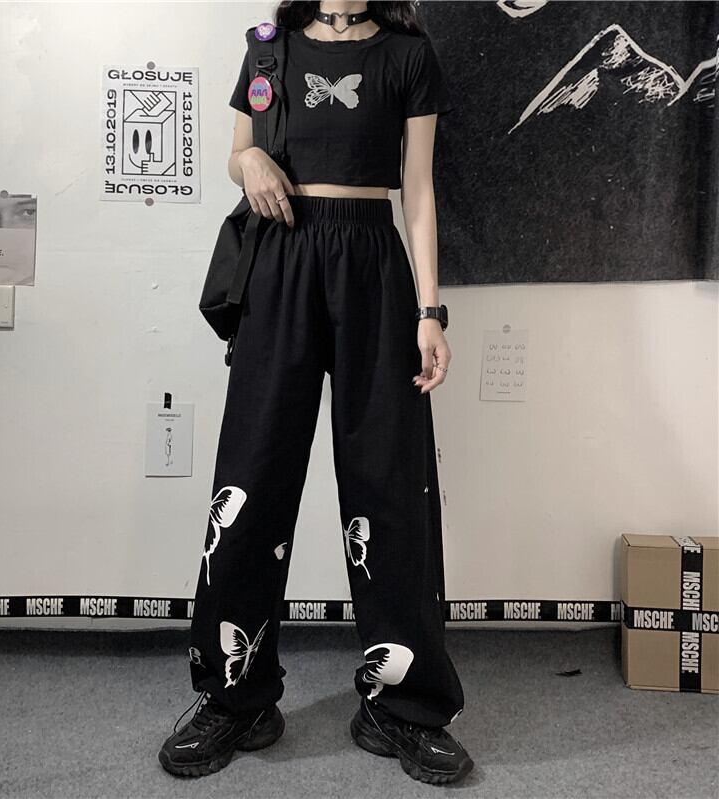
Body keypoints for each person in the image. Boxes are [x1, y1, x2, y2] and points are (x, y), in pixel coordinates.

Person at [159, 0, 474, 786]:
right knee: (251, 480)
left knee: (392, 487)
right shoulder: (269, 51)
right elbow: (238, 151)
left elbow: (419, 189)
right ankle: (236, 697)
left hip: (374, 267)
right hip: (281, 262)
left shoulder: (407, 55)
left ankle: (403, 707)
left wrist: (430, 311)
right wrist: (249, 163)